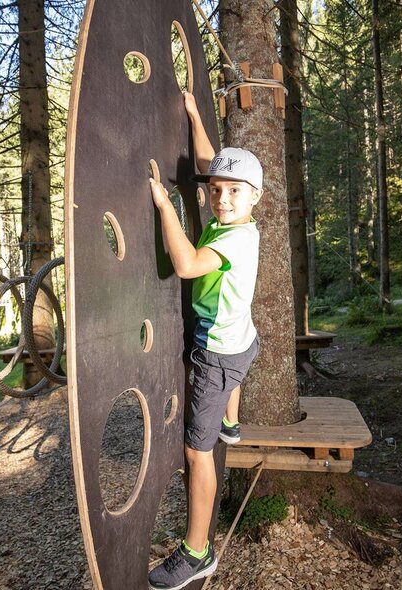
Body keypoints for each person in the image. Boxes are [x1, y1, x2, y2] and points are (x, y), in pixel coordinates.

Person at [147, 92, 262, 590]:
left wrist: (164, 205)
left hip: (217, 356)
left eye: (234, 191)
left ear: (254, 195)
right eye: (215, 191)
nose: (221, 199)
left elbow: (189, 265)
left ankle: (198, 552)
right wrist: (195, 116)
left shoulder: (228, 239)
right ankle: (232, 422)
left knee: (198, 453)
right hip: (243, 340)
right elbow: (207, 161)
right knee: (239, 366)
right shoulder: (240, 221)